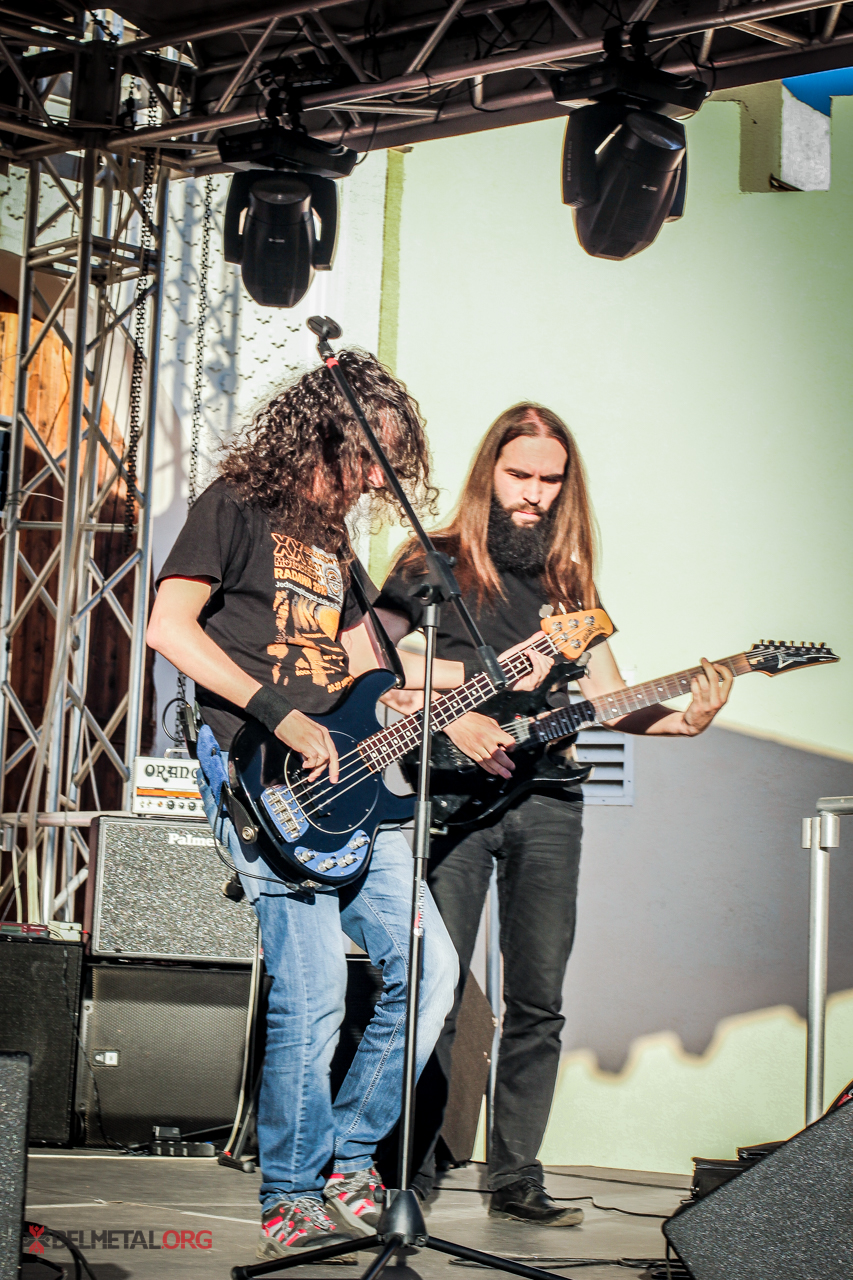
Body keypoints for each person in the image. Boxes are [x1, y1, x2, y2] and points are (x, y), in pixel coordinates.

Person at [145, 357, 550, 1260]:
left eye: (388, 464)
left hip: (359, 785)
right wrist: (279, 713)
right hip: (265, 774)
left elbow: (381, 679)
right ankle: (290, 1192)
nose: (374, 478)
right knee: (316, 987)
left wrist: (468, 699)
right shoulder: (234, 506)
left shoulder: (336, 547)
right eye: (367, 458)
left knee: (430, 975)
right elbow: (168, 628)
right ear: (319, 434)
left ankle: (350, 1163)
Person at [376, 403, 733, 1226]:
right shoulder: (430, 560)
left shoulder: (570, 585)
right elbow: (375, 662)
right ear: (489, 473)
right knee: (433, 992)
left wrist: (682, 720)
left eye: (549, 480)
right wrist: (467, 694)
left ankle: (515, 1176)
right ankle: (409, 1170)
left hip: (547, 801)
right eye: (519, 476)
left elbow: (608, 699)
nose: (533, 494)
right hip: (452, 795)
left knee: (538, 998)